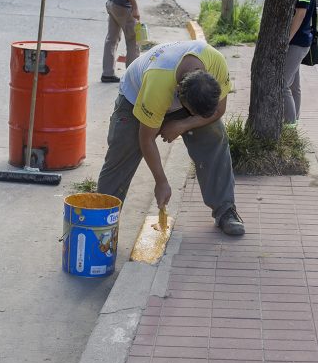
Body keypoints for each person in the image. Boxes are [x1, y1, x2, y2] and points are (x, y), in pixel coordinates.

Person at [96, 40, 245, 236]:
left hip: (181, 95)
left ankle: (225, 209)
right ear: (180, 99)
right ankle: (101, 220)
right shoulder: (158, 83)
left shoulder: (216, 63)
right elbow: (146, 140)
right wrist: (161, 181)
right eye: (189, 112)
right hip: (135, 99)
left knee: (214, 135)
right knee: (121, 155)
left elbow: (219, 110)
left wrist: (183, 124)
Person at [283, 0, 316, 124]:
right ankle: (293, 123)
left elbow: (300, 13)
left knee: (282, 84)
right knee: (294, 85)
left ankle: (290, 125)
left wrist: (286, 39)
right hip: (298, 39)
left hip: (298, 41)